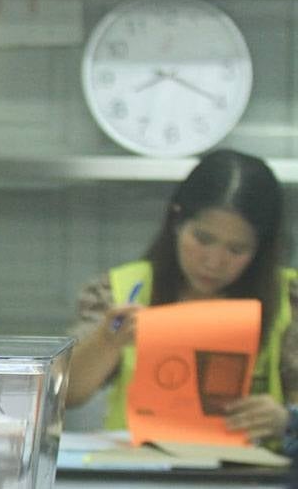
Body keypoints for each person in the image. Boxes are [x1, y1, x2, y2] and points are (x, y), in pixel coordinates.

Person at [65, 148, 298, 449]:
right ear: (177, 222)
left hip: (250, 476)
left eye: (236, 250)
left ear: (261, 250)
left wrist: (286, 420)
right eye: (202, 239)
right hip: (136, 472)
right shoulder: (121, 289)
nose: (213, 262)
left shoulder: (289, 302)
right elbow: (65, 394)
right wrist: (106, 342)